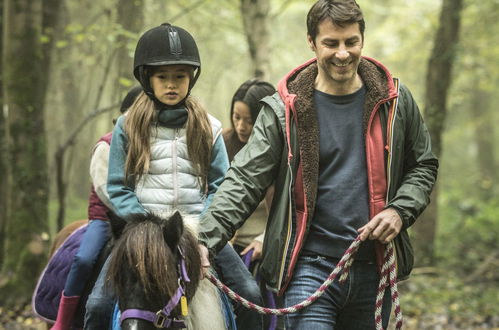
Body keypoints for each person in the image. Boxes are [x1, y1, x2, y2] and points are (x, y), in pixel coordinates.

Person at [198, 0, 439, 329]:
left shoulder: (395, 102)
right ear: (312, 42)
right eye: (331, 43)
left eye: (351, 42)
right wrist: (203, 241)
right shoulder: (283, 110)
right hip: (308, 267)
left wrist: (399, 210)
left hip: (374, 265)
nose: (343, 53)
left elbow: (423, 166)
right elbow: (244, 180)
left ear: (362, 40)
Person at [84, 23, 263, 330]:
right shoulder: (127, 126)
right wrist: (146, 227)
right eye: (162, 77)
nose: (171, 85)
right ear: (147, 78)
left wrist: (205, 229)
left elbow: (220, 186)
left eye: (179, 76)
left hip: (199, 230)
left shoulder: (210, 127)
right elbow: (118, 187)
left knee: (250, 294)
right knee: (98, 306)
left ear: (190, 78)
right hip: (143, 233)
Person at [50, 86, 142, 330]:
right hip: (106, 218)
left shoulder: (148, 150)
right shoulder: (106, 147)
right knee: (83, 258)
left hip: (139, 222)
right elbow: (106, 190)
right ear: (122, 116)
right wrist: (135, 214)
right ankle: (62, 319)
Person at [223, 79, 275, 265]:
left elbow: (290, 213)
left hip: (264, 250)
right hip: (226, 246)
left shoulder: (282, 154)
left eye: (249, 121)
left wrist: (264, 240)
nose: (241, 127)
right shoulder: (222, 145)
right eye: (237, 117)